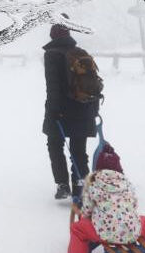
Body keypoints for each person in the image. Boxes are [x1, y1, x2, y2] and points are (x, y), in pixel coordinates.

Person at [66, 144, 145, 253]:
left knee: (78, 229)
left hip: (103, 232)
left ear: (98, 168)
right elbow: (134, 205)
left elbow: (86, 210)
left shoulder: (94, 183)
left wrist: (93, 214)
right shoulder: (126, 183)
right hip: (132, 231)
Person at [42, 23, 101, 200]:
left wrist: (54, 111)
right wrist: (94, 109)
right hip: (84, 109)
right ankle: (80, 188)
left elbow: (53, 87)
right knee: (78, 151)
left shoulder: (52, 55)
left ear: (53, 35)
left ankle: (62, 185)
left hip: (61, 110)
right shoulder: (81, 52)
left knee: (54, 144)